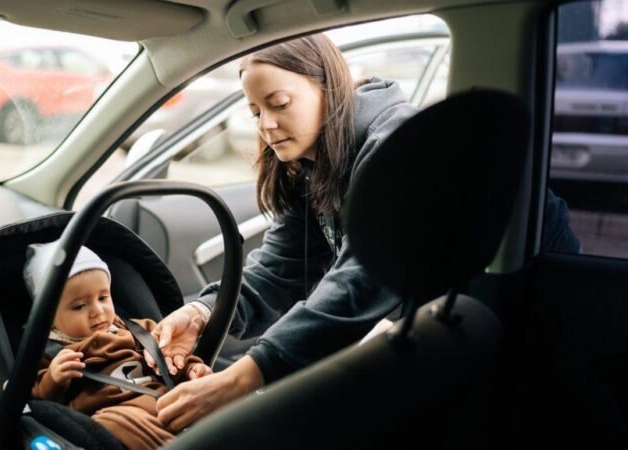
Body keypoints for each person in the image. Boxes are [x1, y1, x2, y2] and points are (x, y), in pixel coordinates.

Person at [148, 33, 581, 432]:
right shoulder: (310, 161)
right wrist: (203, 313)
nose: (266, 125)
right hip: (437, 330)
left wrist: (246, 376)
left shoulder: (395, 143)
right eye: (256, 111)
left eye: (279, 103)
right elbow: (279, 271)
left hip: (514, 328)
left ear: (329, 86)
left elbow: (365, 275)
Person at [24, 242, 212, 450]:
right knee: (114, 423)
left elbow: (171, 359)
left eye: (103, 297)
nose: (98, 311)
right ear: (48, 315)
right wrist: (54, 379)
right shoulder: (50, 352)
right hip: (108, 420)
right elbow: (36, 399)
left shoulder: (139, 331)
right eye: (79, 306)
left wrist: (192, 368)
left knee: (214, 400)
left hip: (160, 401)